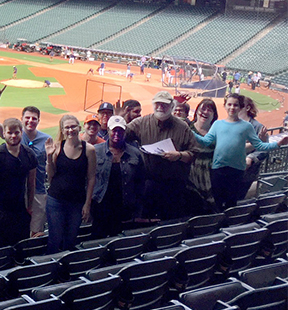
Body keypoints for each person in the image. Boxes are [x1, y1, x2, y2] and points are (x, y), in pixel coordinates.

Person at [193, 94, 288, 211]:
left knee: (231, 203)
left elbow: (259, 146)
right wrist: (190, 130)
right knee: (216, 202)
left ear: (240, 107)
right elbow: (206, 141)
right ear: (225, 106)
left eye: (235, 105)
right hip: (217, 169)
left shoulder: (247, 126)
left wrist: (278, 144)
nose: (232, 107)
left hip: (236, 171)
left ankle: (228, 226)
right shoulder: (217, 124)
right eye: (229, 104)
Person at [125, 91, 199, 220]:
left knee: (170, 221)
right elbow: (120, 135)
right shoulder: (141, 123)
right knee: (146, 220)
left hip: (174, 185)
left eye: (164, 104)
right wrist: (121, 118)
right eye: (157, 103)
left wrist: (179, 155)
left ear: (172, 107)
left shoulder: (183, 127)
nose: (160, 107)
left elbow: (194, 154)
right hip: (148, 184)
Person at [0, 85, 52, 236]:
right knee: (17, 231)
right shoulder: (15, 134)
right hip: (16, 194)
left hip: (37, 191)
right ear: (22, 119)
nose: (30, 121)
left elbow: (50, 166)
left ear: (39, 120)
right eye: (27, 118)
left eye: (34, 118)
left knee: (36, 231)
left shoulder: (46, 139)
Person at [0, 118, 36, 250]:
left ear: (21, 133)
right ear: (4, 134)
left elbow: (31, 182)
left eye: (16, 132)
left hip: (19, 211)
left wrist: (30, 207)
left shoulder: (29, 154)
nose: (13, 136)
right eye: (10, 133)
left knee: (17, 249)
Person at [44, 115, 96, 253]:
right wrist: (49, 157)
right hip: (56, 200)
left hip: (77, 202)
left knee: (71, 238)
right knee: (55, 238)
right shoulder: (57, 147)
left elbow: (91, 178)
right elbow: (51, 175)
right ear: (62, 130)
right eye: (67, 127)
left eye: (73, 126)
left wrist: (87, 204)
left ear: (79, 127)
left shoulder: (89, 149)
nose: (70, 130)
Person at [91, 116, 145, 238]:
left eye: (120, 131)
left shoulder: (134, 153)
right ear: (108, 131)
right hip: (100, 205)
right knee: (97, 237)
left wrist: (138, 208)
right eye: (114, 130)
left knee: (120, 239)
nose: (117, 134)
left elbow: (140, 181)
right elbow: (87, 179)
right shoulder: (95, 151)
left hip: (124, 206)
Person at [187, 98, 218, 213]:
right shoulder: (187, 127)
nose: (205, 112)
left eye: (209, 110)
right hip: (188, 174)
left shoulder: (217, 132)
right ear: (197, 111)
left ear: (214, 114)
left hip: (209, 176)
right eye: (202, 108)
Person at [238, 96, 269, 199]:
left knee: (237, 198)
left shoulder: (258, 127)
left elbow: (264, 150)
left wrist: (251, 158)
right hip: (229, 170)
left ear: (247, 108)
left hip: (246, 174)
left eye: (239, 105)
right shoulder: (230, 124)